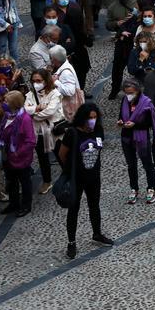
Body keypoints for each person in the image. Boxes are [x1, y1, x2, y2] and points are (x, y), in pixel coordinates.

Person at [57, 102, 113, 259]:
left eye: (95, 117)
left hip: (94, 177)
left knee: (94, 206)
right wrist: (68, 170)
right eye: (90, 118)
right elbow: (62, 154)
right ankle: (71, 242)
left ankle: (97, 233)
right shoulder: (73, 133)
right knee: (73, 210)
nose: (93, 121)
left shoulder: (98, 130)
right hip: (77, 178)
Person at [118, 79, 155, 205]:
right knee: (131, 165)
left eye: (131, 92)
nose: (128, 95)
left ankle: (151, 188)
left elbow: (149, 122)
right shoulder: (125, 101)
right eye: (126, 92)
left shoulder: (146, 103)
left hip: (141, 136)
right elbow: (121, 115)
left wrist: (135, 124)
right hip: (126, 136)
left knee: (147, 163)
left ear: (137, 91)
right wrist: (120, 121)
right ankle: (134, 188)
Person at [24, 68, 63, 195]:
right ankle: (47, 181)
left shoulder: (54, 94)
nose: (36, 83)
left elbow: (50, 111)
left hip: (53, 131)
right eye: (34, 80)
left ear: (46, 81)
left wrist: (34, 113)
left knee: (60, 155)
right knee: (42, 157)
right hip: (38, 132)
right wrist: (37, 108)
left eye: (39, 80)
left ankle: (69, 177)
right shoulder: (30, 95)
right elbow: (25, 109)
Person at [0, 90, 37, 217]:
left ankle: (26, 205)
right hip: (8, 155)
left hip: (20, 158)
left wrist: (18, 153)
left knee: (25, 182)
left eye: (6, 101)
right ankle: (14, 203)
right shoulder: (7, 115)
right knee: (11, 181)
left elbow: (30, 141)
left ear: (14, 104)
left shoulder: (24, 119)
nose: (4, 103)